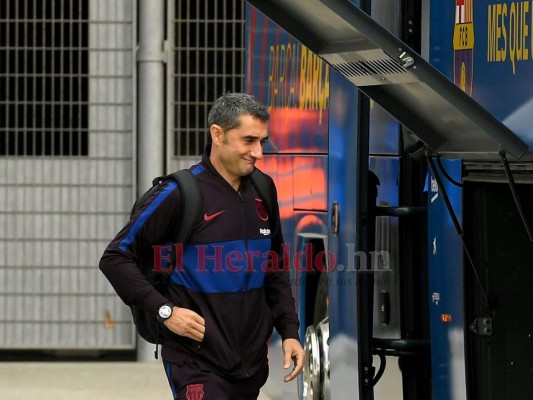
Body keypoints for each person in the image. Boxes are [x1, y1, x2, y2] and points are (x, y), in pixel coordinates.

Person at [99, 92, 305, 399]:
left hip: (250, 367)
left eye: (262, 141)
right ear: (217, 134)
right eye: (248, 140)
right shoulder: (180, 193)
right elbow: (115, 258)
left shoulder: (264, 188)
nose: (258, 152)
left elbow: (274, 268)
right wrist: (166, 311)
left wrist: (290, 331)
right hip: (195, 362)